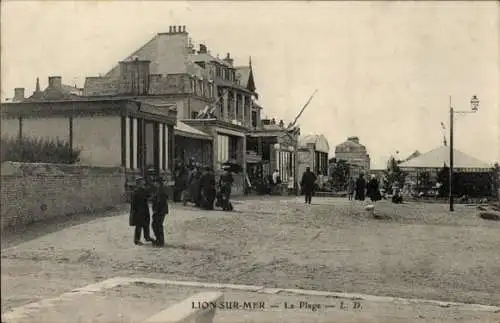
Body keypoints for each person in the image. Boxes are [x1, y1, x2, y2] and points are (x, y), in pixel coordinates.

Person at [129, 176, 153, 245]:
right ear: (138, 183)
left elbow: (148, 195)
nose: (143, 182)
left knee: (146, 224)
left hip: (145, 209)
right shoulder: (136, 192)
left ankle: (147, 237)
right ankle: (136, 240)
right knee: (139, 225)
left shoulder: (144, 190)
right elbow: (133, 203)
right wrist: (134, 212)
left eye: (143, 181)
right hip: (139, 211)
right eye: (142, 181)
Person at [151, 179, 169, 247]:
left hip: (160, 211)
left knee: (157, 225)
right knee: (156, 225)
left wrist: (156, 210)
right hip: (161, 210)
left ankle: (160, 241)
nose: (154, 184)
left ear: (158, 183)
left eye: (155, 182)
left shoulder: (160, 190)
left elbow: (160, 201)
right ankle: (159, 240)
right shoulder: (160, 189)